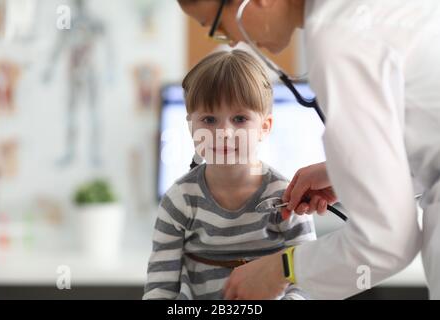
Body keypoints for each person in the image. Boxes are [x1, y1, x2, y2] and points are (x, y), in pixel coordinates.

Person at [178, 0, 440, 299]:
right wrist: (345, 171)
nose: (234, 41)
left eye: (219, 27)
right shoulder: (358, 16)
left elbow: (386, 243)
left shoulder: (340, 37)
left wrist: (283, 269)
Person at [143, 49, 316, 300]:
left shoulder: (286, 197)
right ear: (191, 126)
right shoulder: (179, 201)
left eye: (239, 118)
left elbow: (307, 278)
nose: (224, 132)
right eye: (209, 119)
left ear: (264, 127)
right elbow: (160, 288)